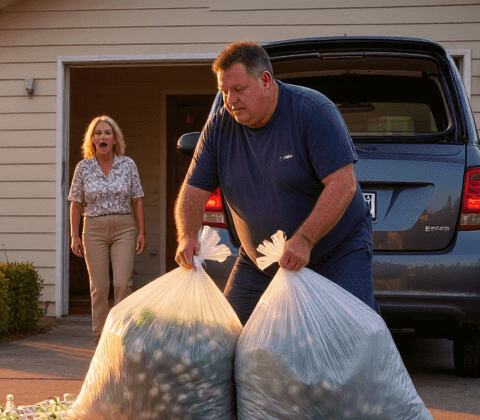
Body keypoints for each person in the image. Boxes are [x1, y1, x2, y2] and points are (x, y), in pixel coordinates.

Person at [175, 41, 376, 323]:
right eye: (223, 92)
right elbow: (193, 191)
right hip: (260, 261)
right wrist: (187, 235)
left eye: (239, 90)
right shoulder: (220, 126)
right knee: (228, 335)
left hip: (336, 254)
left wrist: (305, 239)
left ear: (266, 80)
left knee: (352, 333)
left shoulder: (312, 111)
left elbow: (343, 185)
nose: (230, 101)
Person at [68, 115, 146, 341]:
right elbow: (75, 203)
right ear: (92, 140)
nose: (103, 137)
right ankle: (101, 335)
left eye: (107, 133)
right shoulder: (83, 168)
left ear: (114, 140)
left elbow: (137, 199)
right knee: (100, 287)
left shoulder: (127, 165)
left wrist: (141, 232)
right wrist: (75, 236)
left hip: (124, 228)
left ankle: (120, 334)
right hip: (93, 229)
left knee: (122, 283)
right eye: (98, 133)